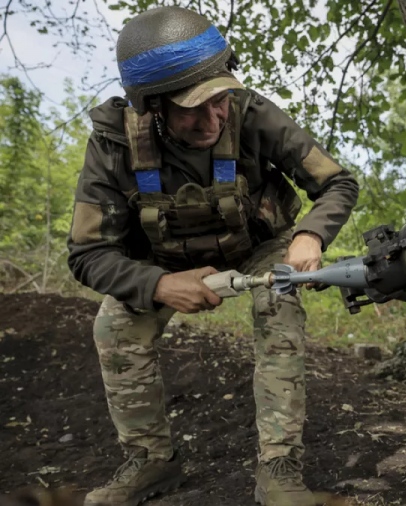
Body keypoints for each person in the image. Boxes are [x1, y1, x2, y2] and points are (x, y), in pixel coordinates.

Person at [66, 6, 359, 506]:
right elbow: (88, 252)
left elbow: (337, 181)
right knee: (114, 327)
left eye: (219, 99)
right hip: (163, 260)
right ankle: (152, 461)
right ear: (153, 106)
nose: (214, 117)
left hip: (258, 247)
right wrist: (157, 285)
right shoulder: (114, 145)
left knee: (279, 301)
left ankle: (279, 467)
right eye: (192, 108)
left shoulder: (251, 112)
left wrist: (309, 235)